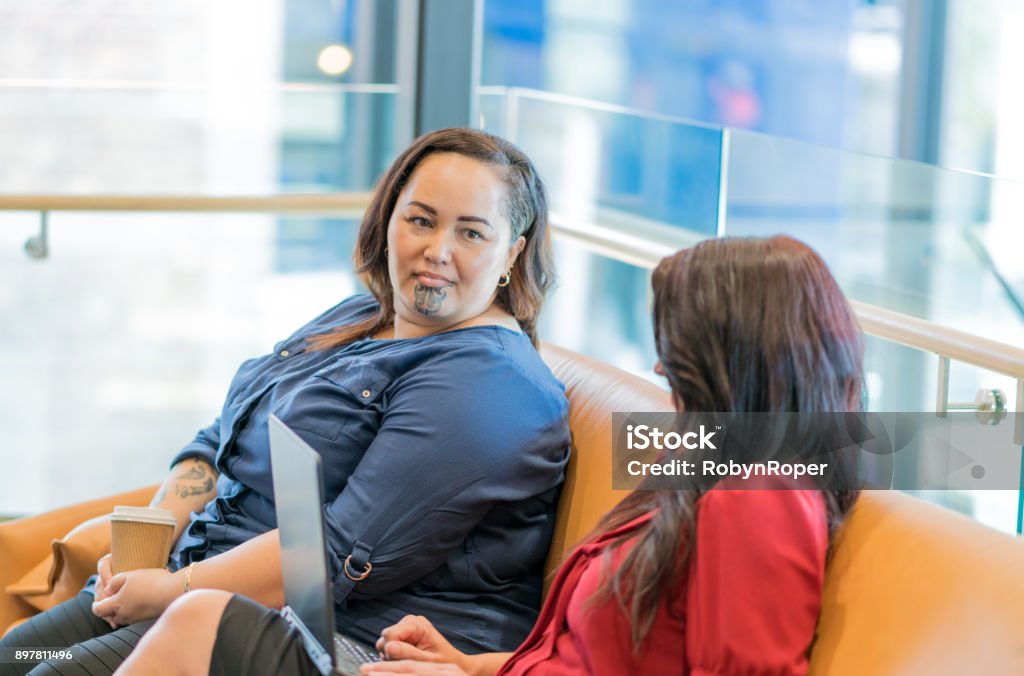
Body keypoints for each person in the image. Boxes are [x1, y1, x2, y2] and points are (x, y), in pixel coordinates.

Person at [1, 127, 571, 676]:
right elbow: (220, 436)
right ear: (389, 221)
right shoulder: (360, 318)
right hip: (194, 575)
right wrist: (150, 539)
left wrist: (170, 590)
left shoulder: (489, 385)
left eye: (472, 233)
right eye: (420, 220)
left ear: (512, 253)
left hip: (326, 631)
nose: (437, 250)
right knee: (13, 658)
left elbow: (331, 557)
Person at [351, 235, 864, 675]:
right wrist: (466, 664)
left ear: (733, 360)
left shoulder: (760, 495)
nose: (662, 369)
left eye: (678, 347)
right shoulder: (706, 465)